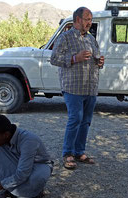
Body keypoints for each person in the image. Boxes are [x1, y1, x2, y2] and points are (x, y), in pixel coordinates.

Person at [50, 7, 104, 170]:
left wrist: (100, 62)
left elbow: (95, 58)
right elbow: (54, 59)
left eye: (90, 19)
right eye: (87, 19)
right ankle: (68, 154)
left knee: (86, 121)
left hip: (90, 87)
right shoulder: (66, 37)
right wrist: (75, 58)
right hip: (73, 87)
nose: (90, 22)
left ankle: (80, 152)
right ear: (78, 19)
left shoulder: (91, 39)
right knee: (75, 119)